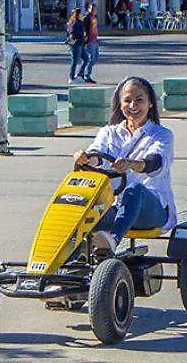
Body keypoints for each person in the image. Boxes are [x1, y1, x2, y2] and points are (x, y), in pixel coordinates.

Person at [74, 77, 176, 252]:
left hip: (151, 210)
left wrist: (132, 164)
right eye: (127, 100)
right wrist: (85, 158)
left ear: (150, 103)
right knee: (81, 221)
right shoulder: (108, 132)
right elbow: (97, 154)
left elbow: (156, 162)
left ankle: (113, 240)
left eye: (139, 100)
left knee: (134, 189)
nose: (133, 105)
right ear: (120, 104)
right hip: (115, 206)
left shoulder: (162, 134)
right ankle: (57, 270)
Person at [79, 3, 100, 83]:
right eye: (91, 9)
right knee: (91, 58)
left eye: (94, 9)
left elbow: (95, 28)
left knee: (96, 58)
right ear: (88, 9)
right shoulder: (86, 18)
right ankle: (87, 76)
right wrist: (85, 39)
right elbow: (84, 29)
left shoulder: (94, 17)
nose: (93, 10)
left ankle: (82, 72)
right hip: (89, 41)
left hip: (95, 40)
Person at [66, 8, 87, 82]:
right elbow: (72, 33)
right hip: (76, 44)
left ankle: (80, 74)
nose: (81, 14)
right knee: (74, 61)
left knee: (86, 59)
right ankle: (71, 77)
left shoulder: (80, 22)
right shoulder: (75, 23)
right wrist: (75, 39)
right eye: (80, 13)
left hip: (81, 44)